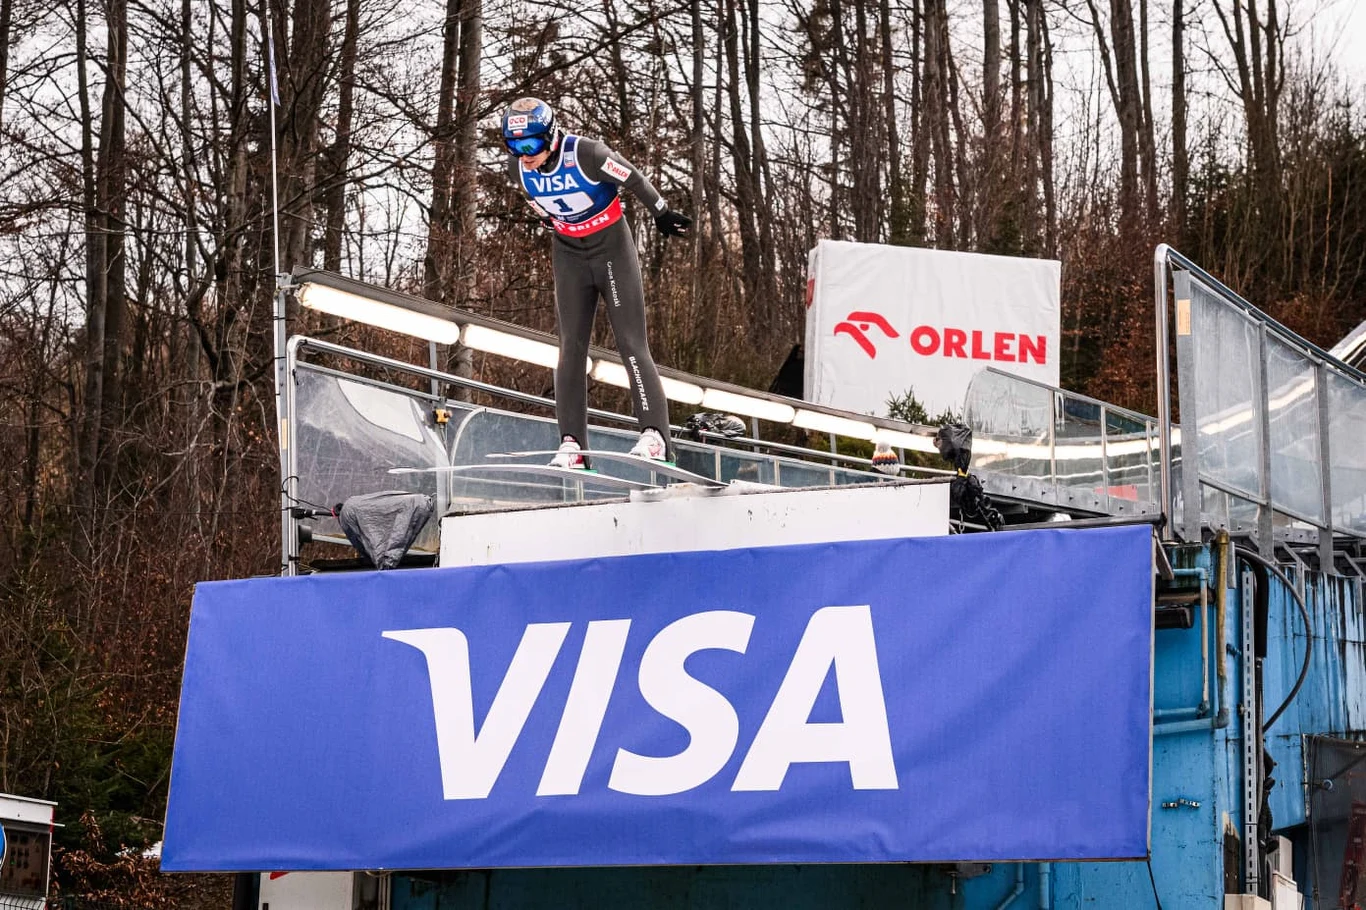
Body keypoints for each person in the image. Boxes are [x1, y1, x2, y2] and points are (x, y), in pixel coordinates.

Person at [500, 97, 692, 468]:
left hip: (611, 249)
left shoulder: (587, 154)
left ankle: (654, 435)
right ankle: (572, 443)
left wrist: (662, 212)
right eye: (514, 146)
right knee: (570, 347)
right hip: (569, 254)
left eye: (530, 145)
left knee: (630, 342)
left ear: (551, 136)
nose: (523, 155)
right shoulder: (517, 169)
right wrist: (549, 219)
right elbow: (538, 202)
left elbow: (632, 177)